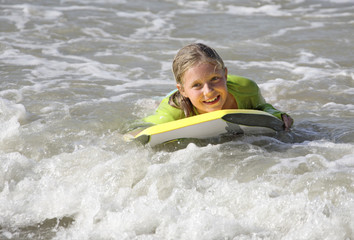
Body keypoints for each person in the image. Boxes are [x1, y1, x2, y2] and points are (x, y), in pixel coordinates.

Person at [140, 43, 293, 131]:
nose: (208, 91)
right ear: (183, 90)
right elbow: (143, 129)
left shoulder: (247, 89)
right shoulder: (174, 109)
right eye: (197, 85)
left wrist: (277, 114)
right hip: (179, 98)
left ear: (225, 75)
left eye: (215, 79)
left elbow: (262, 107)